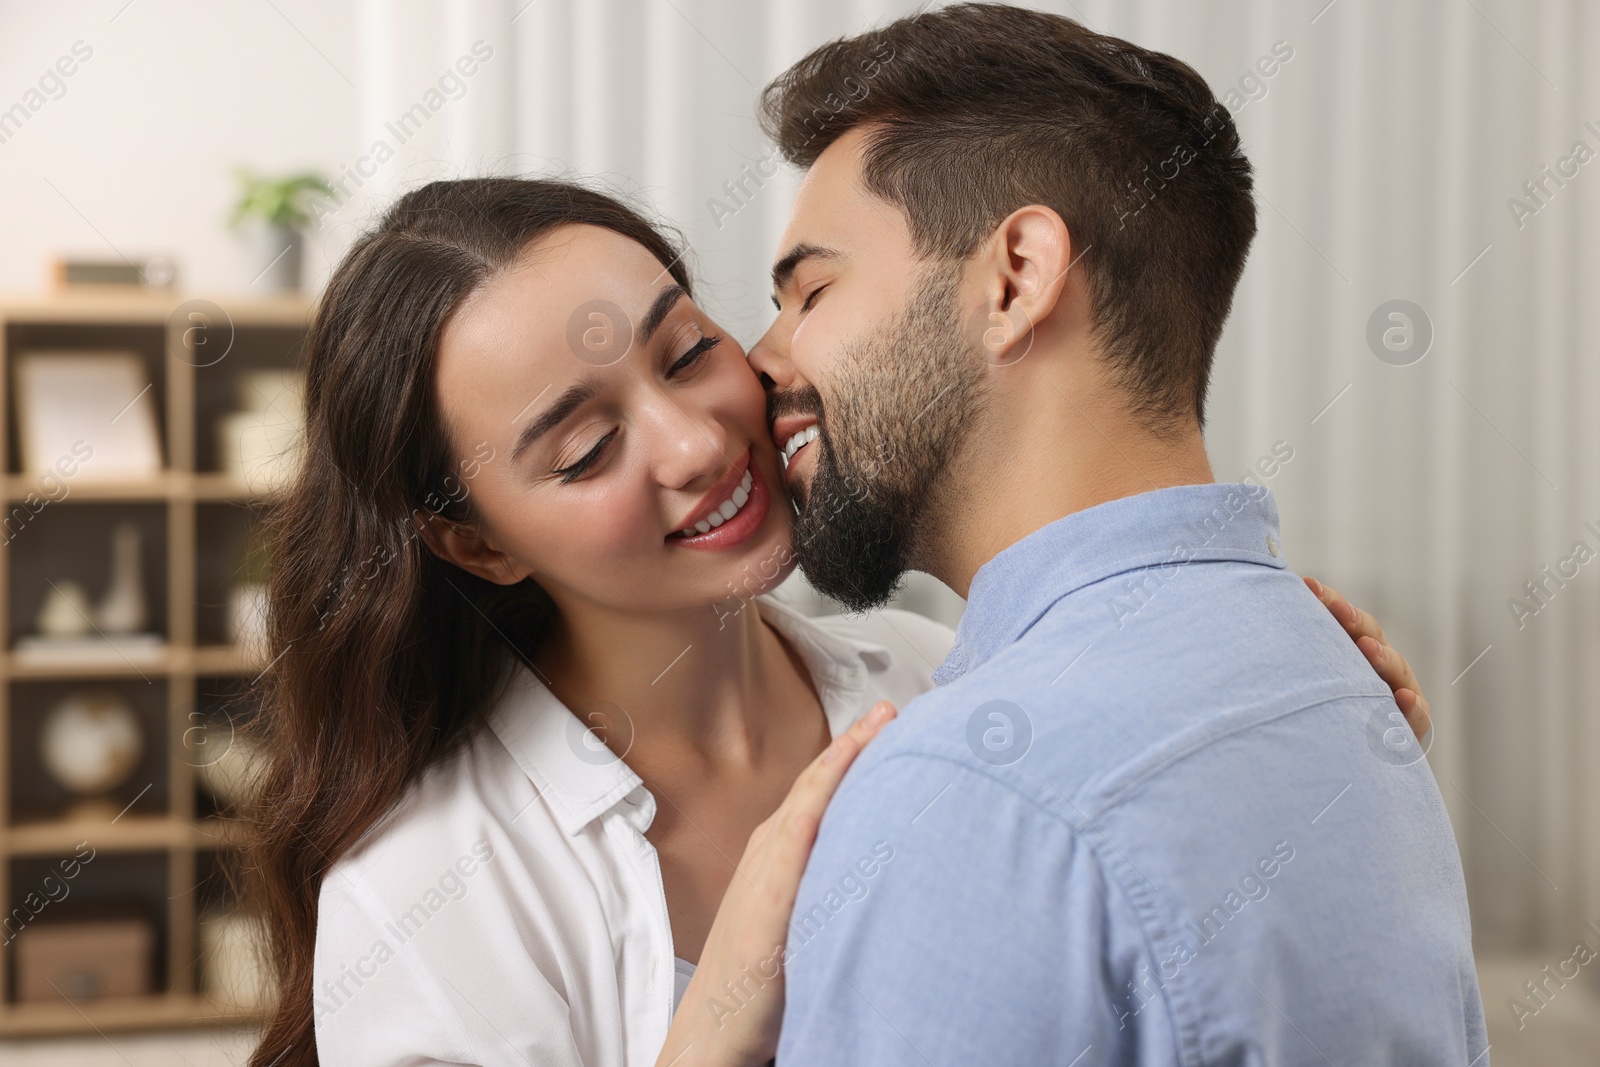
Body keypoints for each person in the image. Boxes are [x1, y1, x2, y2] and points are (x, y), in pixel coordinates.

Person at [244, 176, 1431, 1067]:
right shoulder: (426, 885)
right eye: (590, 446)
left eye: (689, 350)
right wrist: (715, 1022)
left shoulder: (941, 683)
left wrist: (1282, 757)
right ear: (476, 539)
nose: (700, 442)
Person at [721, 5, 1487, 1065]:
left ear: (1015, 276)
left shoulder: (970, 789)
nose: (761, 360)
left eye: (811, 288)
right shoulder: (1342, 683)